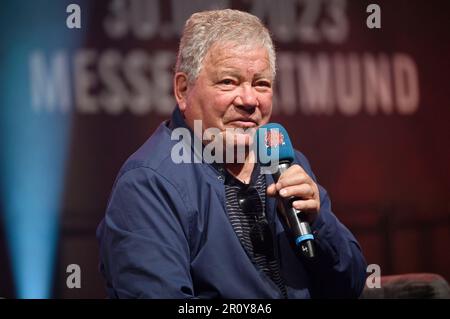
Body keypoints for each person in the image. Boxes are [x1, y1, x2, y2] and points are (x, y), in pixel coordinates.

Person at [96, 9, 367, 299]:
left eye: (261, 84)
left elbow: (350, 285)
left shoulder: (286, 162)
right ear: (183, 89)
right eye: (228, 81)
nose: (250, 100)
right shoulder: (148, 184)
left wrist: (319, 224)